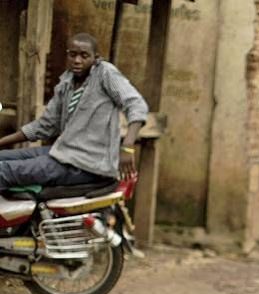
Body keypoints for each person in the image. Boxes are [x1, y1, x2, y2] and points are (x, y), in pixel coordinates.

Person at [0, 33, 148, 190]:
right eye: (73, 55)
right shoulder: (66, 82)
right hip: (64, 153)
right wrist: (2, 142)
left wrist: (128, 146)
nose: (77, 61)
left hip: (88, 164)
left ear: (95, 58)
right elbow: (45, 125)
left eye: (84, 56)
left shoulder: (105, 73)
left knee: (4, 171)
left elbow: (136, 104)